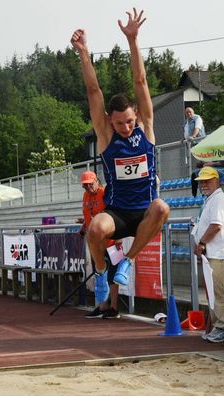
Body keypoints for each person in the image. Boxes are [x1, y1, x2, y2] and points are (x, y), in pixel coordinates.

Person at [71, 8, 170, 304]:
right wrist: (84, 53)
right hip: (116, 211)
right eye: (119, 123)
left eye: (129, 121)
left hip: (143, 211)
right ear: (109, 122)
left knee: (162, 208)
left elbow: (140, 81)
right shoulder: (106, 135)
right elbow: (93, 90)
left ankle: (126, 261)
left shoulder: (146, 127)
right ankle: (101, 271)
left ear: (136, 115)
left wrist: (132, 39)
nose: (125, 128)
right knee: (95, 230)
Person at [193, 167, 224, 343]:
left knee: (220, 292)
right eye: (202, 181)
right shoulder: (213, 199)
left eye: (207, 180)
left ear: (217, 181)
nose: (203, 184)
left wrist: (202, 242)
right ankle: (219, 326)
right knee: (215, 292)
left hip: (220, 254)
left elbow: (216, 225)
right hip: (215, 253)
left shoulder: (218, 200)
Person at [76, 171, 120, 319]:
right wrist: (83, 226)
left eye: (90, 185)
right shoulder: (86, 196)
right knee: (99, 274)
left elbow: (115, 213)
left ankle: (114, 308)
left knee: (113, 275)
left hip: (111, 240)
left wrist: (119, 236)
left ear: (96, 181)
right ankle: (102, 306)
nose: (88, 188)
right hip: (96, 242)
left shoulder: (105, 193)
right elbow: (90, 215)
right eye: (85, 186)